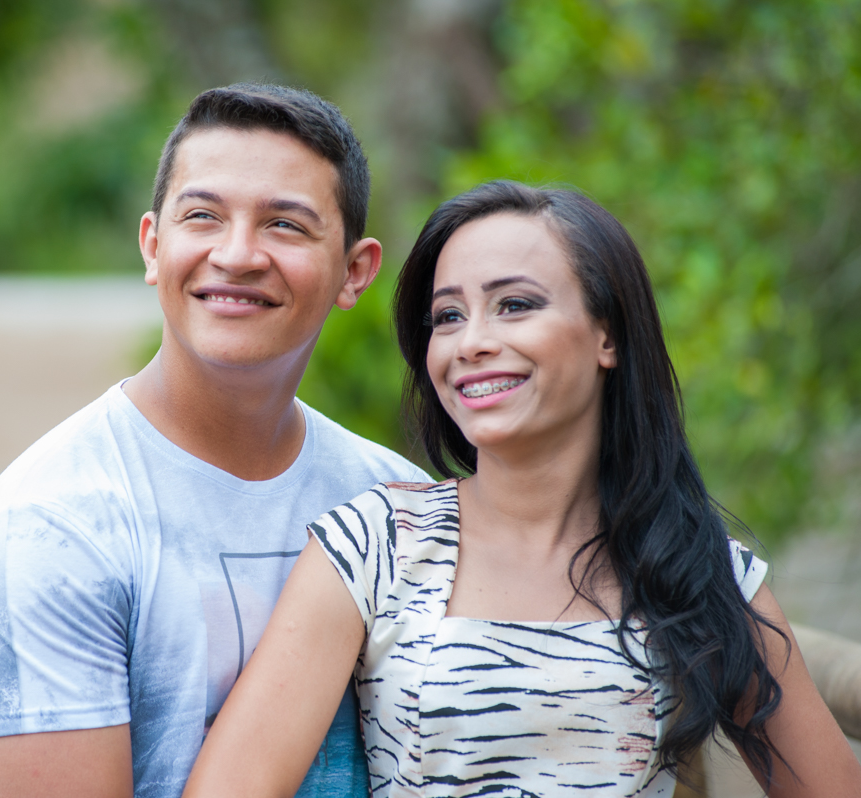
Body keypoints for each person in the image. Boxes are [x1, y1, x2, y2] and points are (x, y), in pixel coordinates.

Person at [182, 181, 861, 797]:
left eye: (515, 305)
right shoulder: (377, 543)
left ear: (608, 334)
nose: (471, 342)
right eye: (447, 317)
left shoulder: (697, 566)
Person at [0, 83, 430, 798]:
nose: (236, 254)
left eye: (285, 225)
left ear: (355, 271)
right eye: (203, 216)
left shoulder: (398, 502)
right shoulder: (51, 526)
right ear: (153, 245)